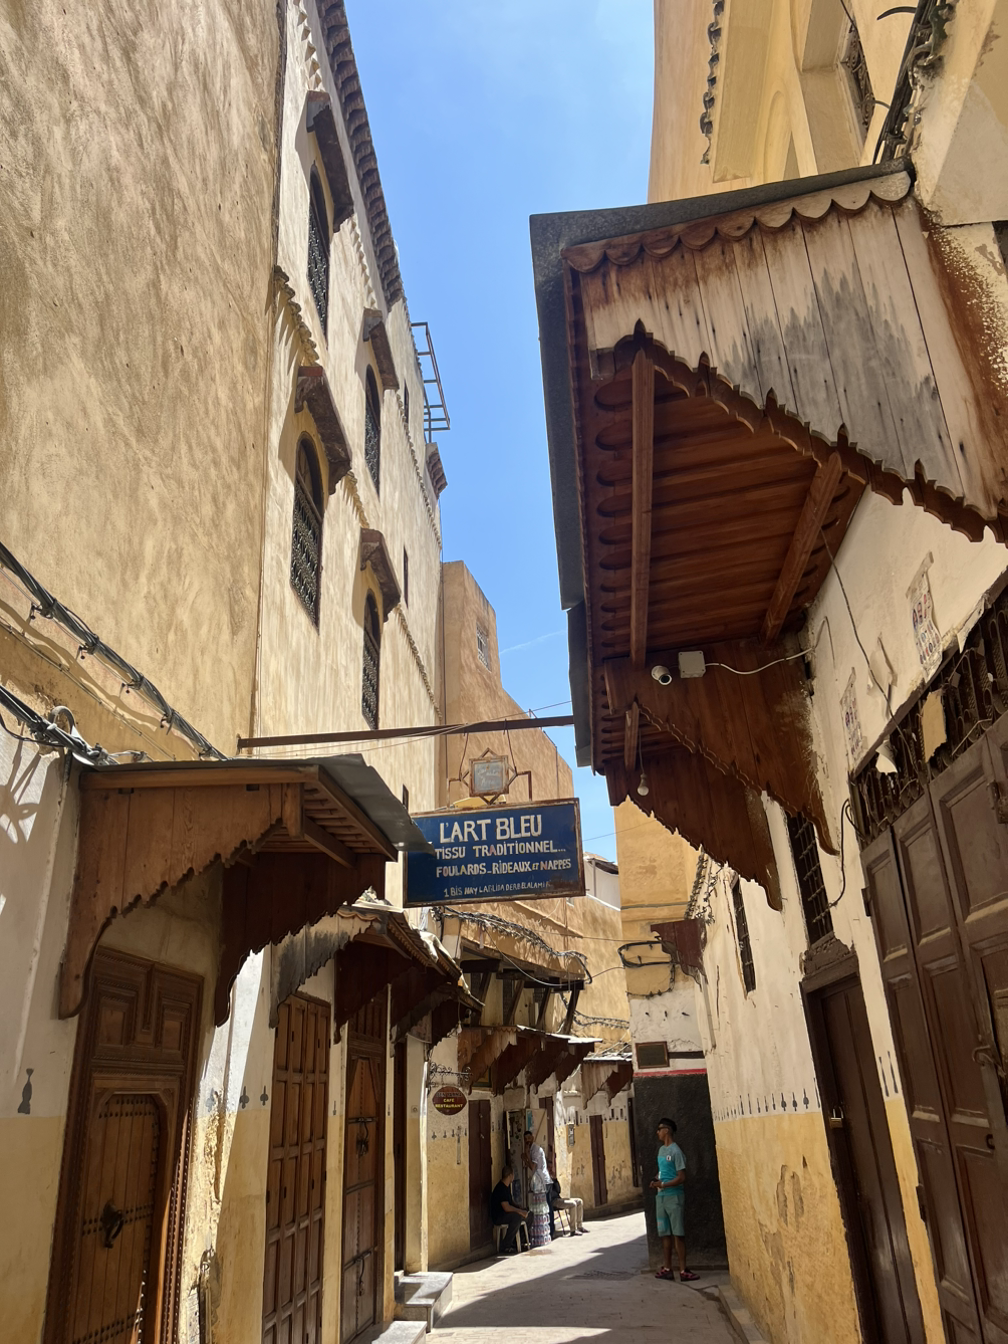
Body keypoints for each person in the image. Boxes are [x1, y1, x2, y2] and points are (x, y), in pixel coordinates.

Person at [651, 1117, 698, 1282]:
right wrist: (656, 1180)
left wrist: (664, 1184)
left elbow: (681, 1177)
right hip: (661, 1197)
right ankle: (667, 1268)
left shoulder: (676, 1152)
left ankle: (683, 1270)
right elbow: (662, 1171)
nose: (657, 1132)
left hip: (674, 1197)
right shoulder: (661, 1151)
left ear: (667, 1130)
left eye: (659, 1129)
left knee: (678, 1234)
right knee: (664, 1233)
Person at [522, 1129, 552, 1249]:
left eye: (529, 1138)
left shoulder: (535, 1150)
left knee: (546, 1206)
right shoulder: (532, 1150)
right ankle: (547, 1233)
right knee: (543, 1208)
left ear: (533, 1138)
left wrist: (526, 1155)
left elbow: (532, 1166)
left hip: (543, 1181)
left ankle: (550, 1232)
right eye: (526, 1139)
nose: (527, 1141)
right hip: (539, 1181)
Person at [490, 1164, 528, 1254]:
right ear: (510, 1175)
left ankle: (519, 1241)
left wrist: (521, 1208)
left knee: (529, 1215)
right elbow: (506, 1207)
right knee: (516, 1218)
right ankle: (505, 1245)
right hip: (499, 1216)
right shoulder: (500, 1188)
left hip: (507, 1214)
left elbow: (510, 1202)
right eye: (513, 1174)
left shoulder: (507, 1187)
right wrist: (520, 1211)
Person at [548, 1150, 584, 1235]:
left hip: (558, 1198)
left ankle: (579, 1226)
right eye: (549, 1167)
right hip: (553, 1201)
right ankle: (573, 1230)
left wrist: (555, 1180)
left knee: (579, 1201)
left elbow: (559, 1190)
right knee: (573, 1204)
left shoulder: (552, 1178)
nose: (550, 1169)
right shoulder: (546, 1179)